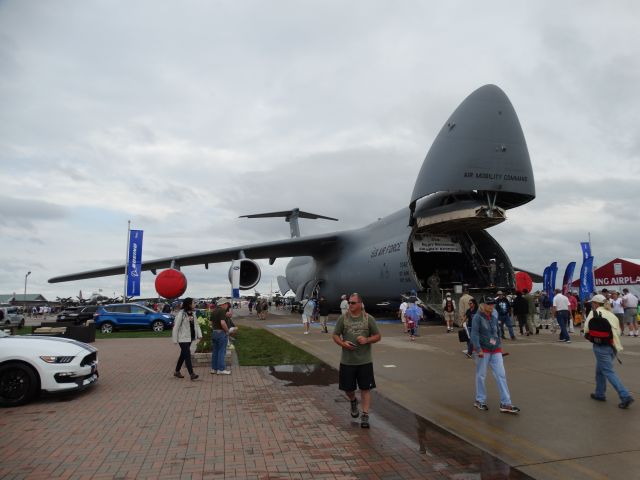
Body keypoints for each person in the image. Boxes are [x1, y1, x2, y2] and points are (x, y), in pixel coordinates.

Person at [332, 293, 381, 428]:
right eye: (349, 303)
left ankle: (365, 415)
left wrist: (367, 340)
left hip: (365, 361)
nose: (350, 305)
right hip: (347, 361)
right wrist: (343, 344)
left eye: (353, 303)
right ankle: (353, 401)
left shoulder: (368, 318)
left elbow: (377, 336)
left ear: (360, 304)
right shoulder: (343, 318)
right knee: (348, 389)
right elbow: (335, 335)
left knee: (365, 389)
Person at [470, 298, 520, 414]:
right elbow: (474, 334)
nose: (491, 306)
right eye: (489, 304)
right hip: (483, 350)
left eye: (493, 304)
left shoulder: (493, 317)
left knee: (501, 375)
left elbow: (495, 333)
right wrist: (478, 349)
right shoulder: (477, 317)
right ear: (483, 305)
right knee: (481, 375)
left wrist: (498, 347)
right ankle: (479, 399)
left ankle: (506, 403)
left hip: (495, 350)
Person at [584, 294, 634, 408]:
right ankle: (600, 393)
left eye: (592, 303)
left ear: (596, 304)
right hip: (614, 346)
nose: (592, 305)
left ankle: (625, 395)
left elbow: (586, 329)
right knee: (600, 370)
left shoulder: (593, 313)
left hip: (601, 347)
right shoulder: (612, 314)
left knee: (608, 371)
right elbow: (619, 331)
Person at [172, 297, 201, 380]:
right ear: (189, 304)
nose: (194, 304)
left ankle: (177, 371)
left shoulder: (192, 313)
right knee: (187, 354)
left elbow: (196, 325)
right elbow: (176, 327)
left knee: (183, 355)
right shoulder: (181, 314)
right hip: (182, 338)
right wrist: (175, 339)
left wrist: (199, 334)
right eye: (193, 303)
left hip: (190, 337)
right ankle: (192, 374)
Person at [209, 298, 234, 375]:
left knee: (215, 351)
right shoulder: (222, 311)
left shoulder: (214, 311)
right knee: (221, 352)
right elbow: (223, 323)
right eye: (226, 304)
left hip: (214, 332)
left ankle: (214, 369)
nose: (227, 306)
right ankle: (221, 369)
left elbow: (210, 323)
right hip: (221, 333)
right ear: (223, 304)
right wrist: (227, 331)